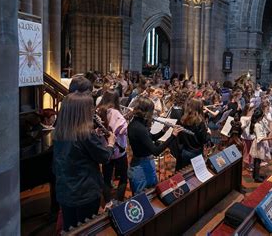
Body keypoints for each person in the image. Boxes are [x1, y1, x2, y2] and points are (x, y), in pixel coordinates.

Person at [53, 92, 115, 231]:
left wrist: (95, 137)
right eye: (90, 108)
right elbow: (104, 157)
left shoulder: (59, 132)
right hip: (84, 191)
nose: (92, 111)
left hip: (65, 190)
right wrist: (110, 143)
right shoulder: (85, 133)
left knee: (70, 229)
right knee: (87, 229)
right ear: (82, 111)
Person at [127, 97, 183, 195]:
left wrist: (163, 131)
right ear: (146, 112)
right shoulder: (138, 128)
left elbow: (150, 138)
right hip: (140, 168)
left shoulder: (137, 123)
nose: (152, 114)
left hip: (146, 163)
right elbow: (156, 151)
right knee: (143, 198)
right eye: (151, 112)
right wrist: (173, 136)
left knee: (152, 193)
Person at [96, 90, 129, 203]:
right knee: (123, 178)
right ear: (116, 100)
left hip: (106, 151)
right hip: (119, 152)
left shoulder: (98, 111)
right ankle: (119, 202)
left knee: (106, 178)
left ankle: (108, 202)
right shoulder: (115, 113)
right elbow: (123, 129)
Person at [176, 98, 210, 170]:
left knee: (184, 175)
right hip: (196, 153)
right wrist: (209, 134)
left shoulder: (182, 119)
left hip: (184, 152)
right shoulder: (200, 122)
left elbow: (179, 137)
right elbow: (204, 140)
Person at [249, 108, 272, 182]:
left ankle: (255, 174)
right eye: (262, 116)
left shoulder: (258, 123)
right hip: (259, 145)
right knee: (257, 161)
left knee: (256, 160)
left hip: (258, 143)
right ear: (259, 117)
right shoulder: (257, 125)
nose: (263, 118)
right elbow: (260, 138)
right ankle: (256, 177)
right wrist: (269, 138)